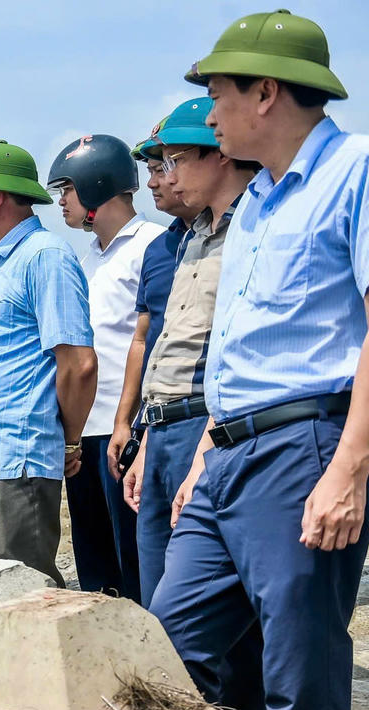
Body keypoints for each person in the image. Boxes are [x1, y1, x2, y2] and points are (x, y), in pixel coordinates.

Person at [151, 10, 369, 710]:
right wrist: (203, 458)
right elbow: (233, 347)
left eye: (218, 93)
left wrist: (347, 469)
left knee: (299, 668)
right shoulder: (254, 202)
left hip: (304, 447)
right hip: (225, 456)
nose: (210, 112)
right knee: (164, 642)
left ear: (264, 93)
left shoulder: (364, 167)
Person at [0, 141, 97, 586]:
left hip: (11, 464)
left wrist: (66, 441)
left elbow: (79, 364)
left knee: (19, 602)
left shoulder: (45, 256)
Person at [118, 100, 258, 607]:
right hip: (164, 430)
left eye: (174, 161)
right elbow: (165, 347)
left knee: (202, 607)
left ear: (220, 153)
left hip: (208, 428)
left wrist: (204, 449)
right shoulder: (191, 237)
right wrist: (148, 439)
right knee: (158, 600)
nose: (166, 177)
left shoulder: (255, 229)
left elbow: (232, 357)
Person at [47, 134, 164, 603]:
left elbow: (152, 342)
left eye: (67, 190)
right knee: (94, 563)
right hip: (86, 431)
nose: (60, 202)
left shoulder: (152, 246)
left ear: (97, 186)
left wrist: (132, 424)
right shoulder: (83, 258)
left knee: (135, 558)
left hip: (128, 429)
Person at [105, 118, 204, 499]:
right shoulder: (158, 250)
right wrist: (125, 422)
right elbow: (142, 340)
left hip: (203, 419)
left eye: (164, 167)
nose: (154, 182)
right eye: (151, 170)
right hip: (155, 423)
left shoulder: (238, 237)